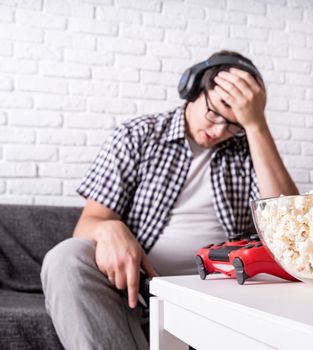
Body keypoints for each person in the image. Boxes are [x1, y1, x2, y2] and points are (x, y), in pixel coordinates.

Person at [40, 50, 298, 350]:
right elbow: (88, 224)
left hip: (220, 294)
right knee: (65, 257)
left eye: (233, 124)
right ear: (192, 89)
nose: (218, 131)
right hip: (137, 292)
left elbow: (289, 228)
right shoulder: (138, 135)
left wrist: (255, 126)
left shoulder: (249, 146)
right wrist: (106, 228)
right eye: (214, 113)